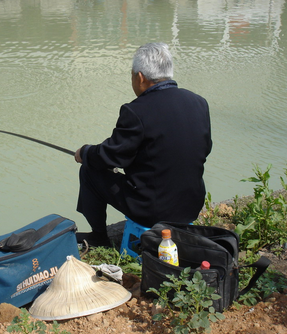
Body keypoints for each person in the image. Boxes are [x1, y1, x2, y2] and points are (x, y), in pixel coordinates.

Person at [74, 42, 212, 247]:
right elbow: (204, 148)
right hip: (190, 206)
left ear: (140, 77)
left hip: (152, 211)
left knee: (89, 170)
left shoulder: (136, 111)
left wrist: (85, 152)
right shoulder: (199, 103)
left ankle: (99, 236)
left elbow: (111, 156)